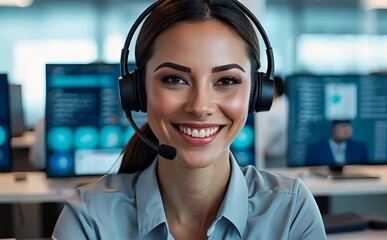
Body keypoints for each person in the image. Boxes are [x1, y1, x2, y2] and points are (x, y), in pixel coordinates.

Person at [52, 0, 326, 239]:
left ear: (256, 94)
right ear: (137, 91)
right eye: (175, 79)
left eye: (227, 80)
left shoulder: (291, 210)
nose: (200, 106)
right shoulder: (90, 219)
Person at [257, 76, 289, 167]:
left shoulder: (278, 108)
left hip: (273, 157)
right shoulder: (280, 104)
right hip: (273, 155)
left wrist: (262, 149)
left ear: (274, 89)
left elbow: (272, 132)